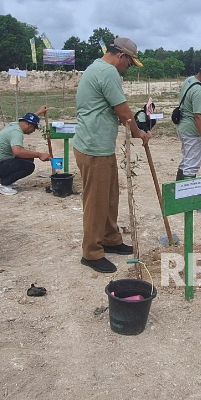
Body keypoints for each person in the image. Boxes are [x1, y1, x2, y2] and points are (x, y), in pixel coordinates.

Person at [73, 37, 151, 273]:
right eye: (129, 63)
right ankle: (91, 252)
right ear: (121, 56)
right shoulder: (108, 73)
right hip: (93, 146)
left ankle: (110, 238)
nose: (128, 68)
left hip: (99, 146)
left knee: (109, 197)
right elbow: (123, 110)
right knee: (96, 201)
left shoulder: (96, 68)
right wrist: (139, 133)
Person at [0, 108, 50, 195]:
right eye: (34, 128)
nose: (33, 131)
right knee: (29, 166)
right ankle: (2, 184)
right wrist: (39, 155)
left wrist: (39, 112)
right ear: (28, 125)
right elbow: (18, 152)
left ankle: (6, 180)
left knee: (29, 159)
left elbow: (29, 118)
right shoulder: (16, 132)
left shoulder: (14, 125)